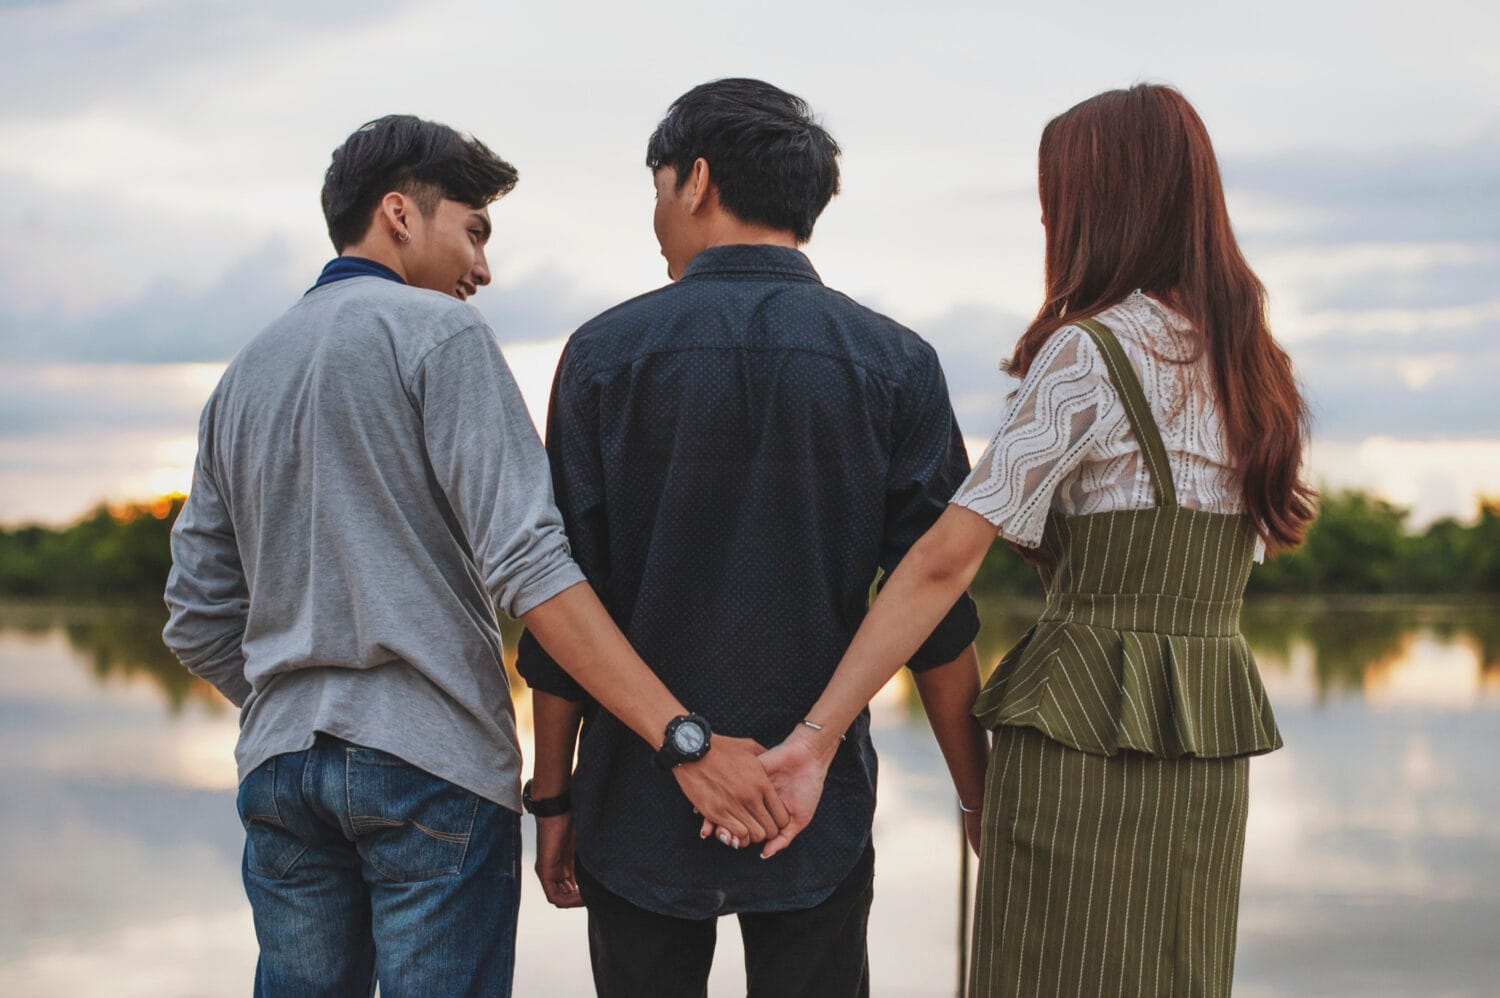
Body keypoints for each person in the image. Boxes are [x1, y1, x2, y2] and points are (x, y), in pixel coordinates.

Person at [162, 113, 786, 998]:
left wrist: (297, 696)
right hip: (431, 767)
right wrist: (683, 740)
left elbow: (194, 618)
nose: (483, 270)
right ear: (399, 214)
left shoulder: (244, 375)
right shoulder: (439, 335)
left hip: (281, 771)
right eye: (475, 231)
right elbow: (532, 567)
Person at [754, 84, 1317, 997]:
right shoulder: (1257, 368)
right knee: (1177, 971)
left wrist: (814, 740)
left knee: (1047, 974)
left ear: (1105, 204)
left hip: (1078, 733)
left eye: (1057, 198)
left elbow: (942, 562)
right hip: (1208, 741)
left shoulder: (1091, 353)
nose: (1049, 220)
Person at [515, 78, 990, 997]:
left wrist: (554, 796)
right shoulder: (896, 363)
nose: (657, 219)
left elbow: (566, 598)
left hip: (638, 797)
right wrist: (976, 794)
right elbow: (934, 604)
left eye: (659, 189)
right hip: (813, 802)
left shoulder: (603, 356)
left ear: (696, 180)